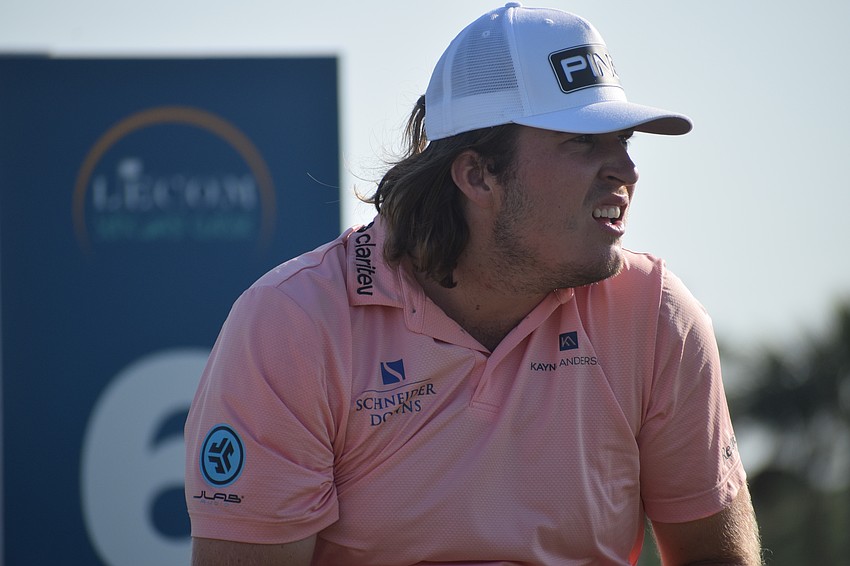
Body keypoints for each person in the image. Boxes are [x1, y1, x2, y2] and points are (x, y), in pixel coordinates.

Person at [184, 3, 762, 564]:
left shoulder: (658, 314)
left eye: (624, 141)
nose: (626, 170)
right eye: (583, 141)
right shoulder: (292, 324)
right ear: (477, 174)